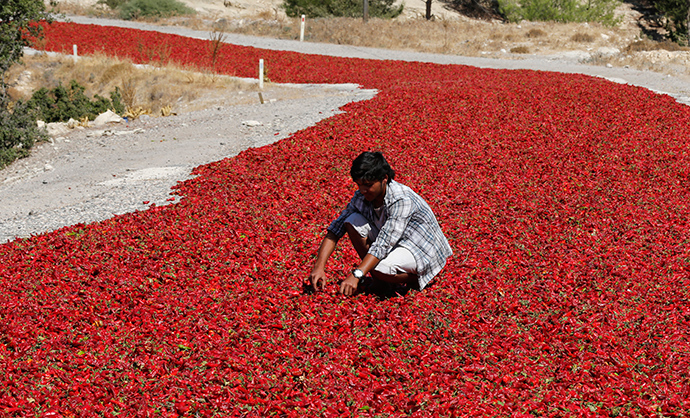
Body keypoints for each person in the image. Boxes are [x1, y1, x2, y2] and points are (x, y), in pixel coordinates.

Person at [309, 151, 453, 296]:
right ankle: (380, 281)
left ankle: (418, 277)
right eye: (359, 184)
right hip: (395, 241)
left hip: (420, 247)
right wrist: (319, 267)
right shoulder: (362, 196)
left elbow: (384, 243)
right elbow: (335, 230)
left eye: (368, 185)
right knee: (351, 221)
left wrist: (357, 274)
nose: (363, 190)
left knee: (382, 269)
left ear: (384, 178)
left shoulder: (400, 199)